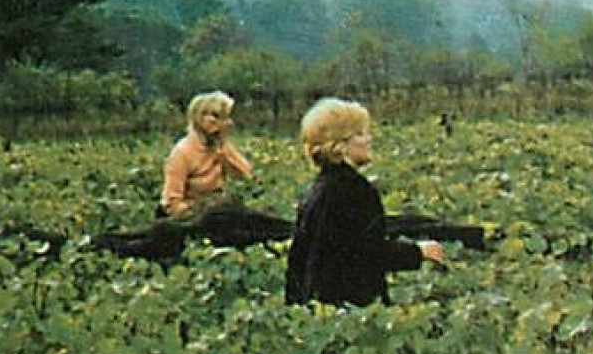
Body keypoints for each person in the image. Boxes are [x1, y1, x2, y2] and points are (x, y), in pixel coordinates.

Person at [285, 97, 443, 307]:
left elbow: (298, 261)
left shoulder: (319, 188)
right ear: (339, 145)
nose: (368, 139)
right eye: (359, 134)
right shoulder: (354, 189)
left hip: (322, 306)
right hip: (351, 306)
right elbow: (366, 253)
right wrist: (418, 252)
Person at [160, 91, 253, 219]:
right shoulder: (182, 152)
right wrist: (199, 210)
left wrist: (223, 151)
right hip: (192, 217)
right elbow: (171, 204)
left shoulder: (221, 146)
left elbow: (246, 175)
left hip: (218, 210)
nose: (229, 123)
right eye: (224, 118)